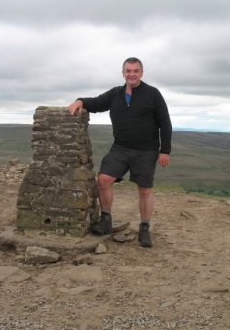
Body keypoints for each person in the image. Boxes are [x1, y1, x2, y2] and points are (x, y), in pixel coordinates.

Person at [68, 57, 172, 247]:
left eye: (136, 71)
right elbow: (97, 103)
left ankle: (145, 228)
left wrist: (164, 151)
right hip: (121, 148)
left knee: (145, 190)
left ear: (141, 73)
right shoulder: (115, 94)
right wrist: (80, 101)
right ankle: (106, 219)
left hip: (146, 150)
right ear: (123, 73)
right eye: (128, 70)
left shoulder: (153, 94)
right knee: (103, 180)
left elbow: (165, 123)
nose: (132, 74)